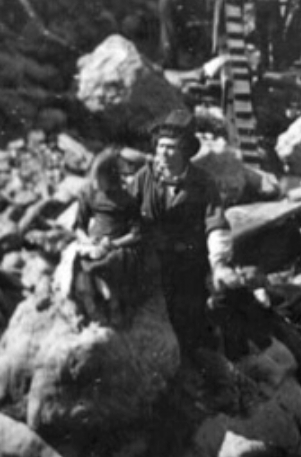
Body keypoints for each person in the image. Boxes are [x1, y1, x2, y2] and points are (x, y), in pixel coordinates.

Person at [130, 110, 237, 356]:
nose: (163, 154)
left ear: (186, 151)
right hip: (151, 266)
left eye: (172, 148)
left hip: (188, 268)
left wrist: (220, 263)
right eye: (160, 147)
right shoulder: (145, 177)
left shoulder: (202, 183)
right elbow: (124, 211)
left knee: (193, 326)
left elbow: (216, 225)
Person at [74, 147, 146, 321]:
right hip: (94, 242)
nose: (95, 182)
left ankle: (115, 304)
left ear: (111, 176)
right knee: (81, 261)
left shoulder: (127, 199)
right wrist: (88, 241)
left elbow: (136, 234)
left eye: (99, 178)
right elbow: (79, 226)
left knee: (113, 261)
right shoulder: (89, 193)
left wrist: (113, 244)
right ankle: (92, 306)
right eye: (93, 178)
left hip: (117, 244)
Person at [158, 0, 207, 69]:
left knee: (171, 32)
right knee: (170, 33)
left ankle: (172, 61)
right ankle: (170, 64)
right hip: (169, 0)